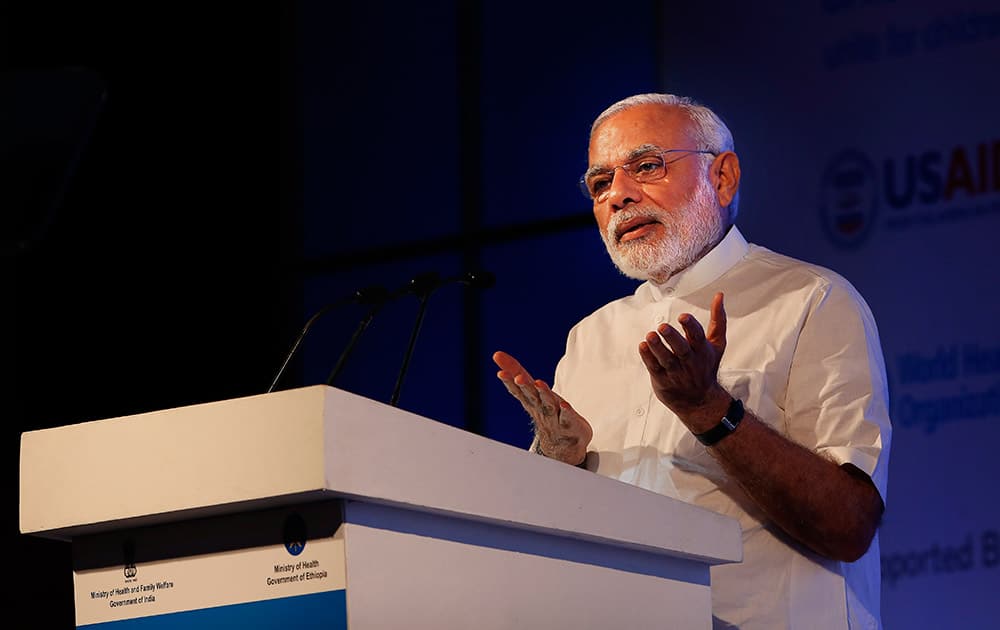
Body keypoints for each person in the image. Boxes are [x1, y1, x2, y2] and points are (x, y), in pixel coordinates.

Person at [493, 93, 891, 629]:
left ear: (722, 177)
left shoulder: (811, 300)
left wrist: (711, 411)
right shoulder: (590, 338)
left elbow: (850, 525)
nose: (619, 196)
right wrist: (557, 464)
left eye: (647, 166)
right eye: (600, 183)